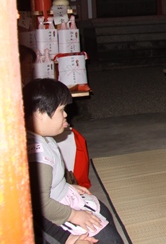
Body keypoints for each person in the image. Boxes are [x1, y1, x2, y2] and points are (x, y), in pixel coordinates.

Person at [23, 79, 124, 244]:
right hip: (52, 214)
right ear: (40, 114)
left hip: (61, 198)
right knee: (107, 239)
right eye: (61, 110)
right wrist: (74, 215)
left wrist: (67, 186)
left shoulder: (42, 137)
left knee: (103, 212)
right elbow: (39, 203)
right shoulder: (37, 154)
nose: (66, 115)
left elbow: (47, 183)